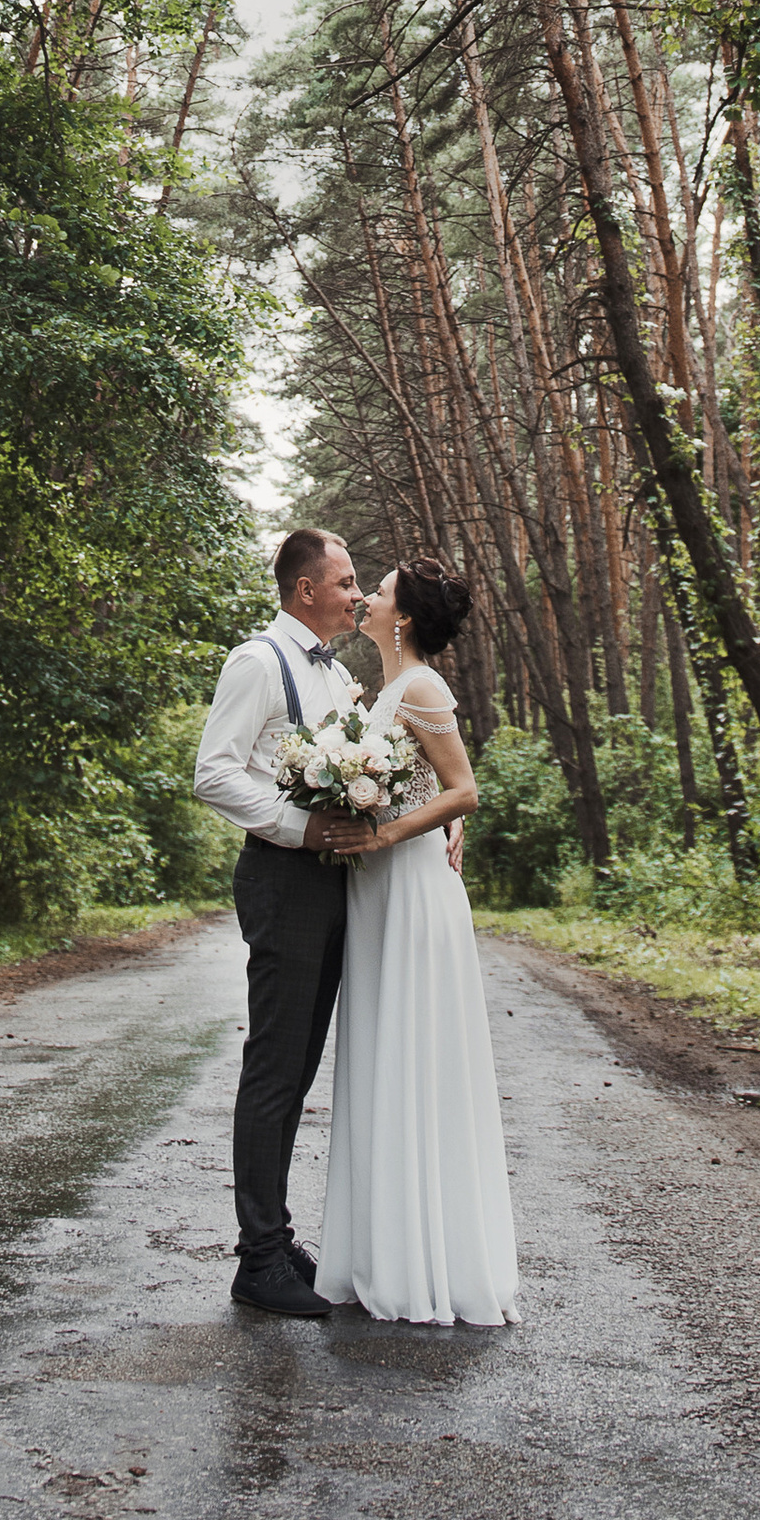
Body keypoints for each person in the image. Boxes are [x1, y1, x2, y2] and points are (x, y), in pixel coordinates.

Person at [314, 559, 519, 1327]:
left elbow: (463, 788)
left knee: (413, 1055)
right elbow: (434, 788)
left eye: (383, 588)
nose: (367, 596)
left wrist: (390, 834)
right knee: (379, 1054)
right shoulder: (388, 691)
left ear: (401, 618)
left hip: (409, 888)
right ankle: (381, 1249)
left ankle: (427, 1261)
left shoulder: (423, 687)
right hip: (378, 891)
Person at [193, 525, 368, 1315]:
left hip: (334, 883)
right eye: (346, 581)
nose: (357, 593)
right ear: (307, 590)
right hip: (283, 879)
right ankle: (256, 1260)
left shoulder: (337, 675)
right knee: (273, 1069)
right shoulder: (256, 662)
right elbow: (215, 773)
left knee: (298, 1072)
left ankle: (277, 1236)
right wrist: (300, 829)